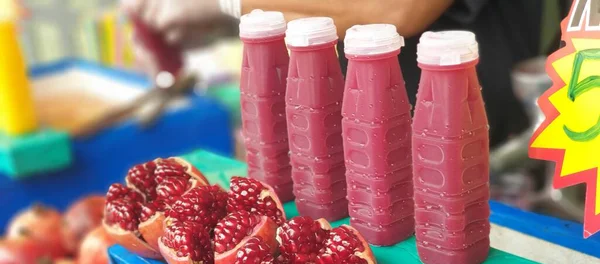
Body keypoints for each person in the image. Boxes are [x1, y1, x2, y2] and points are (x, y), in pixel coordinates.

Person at [123, 0, 548, 147]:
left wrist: (228, 4)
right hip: (351, 142)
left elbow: (397, 8)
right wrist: (227, 23)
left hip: (474, 152)